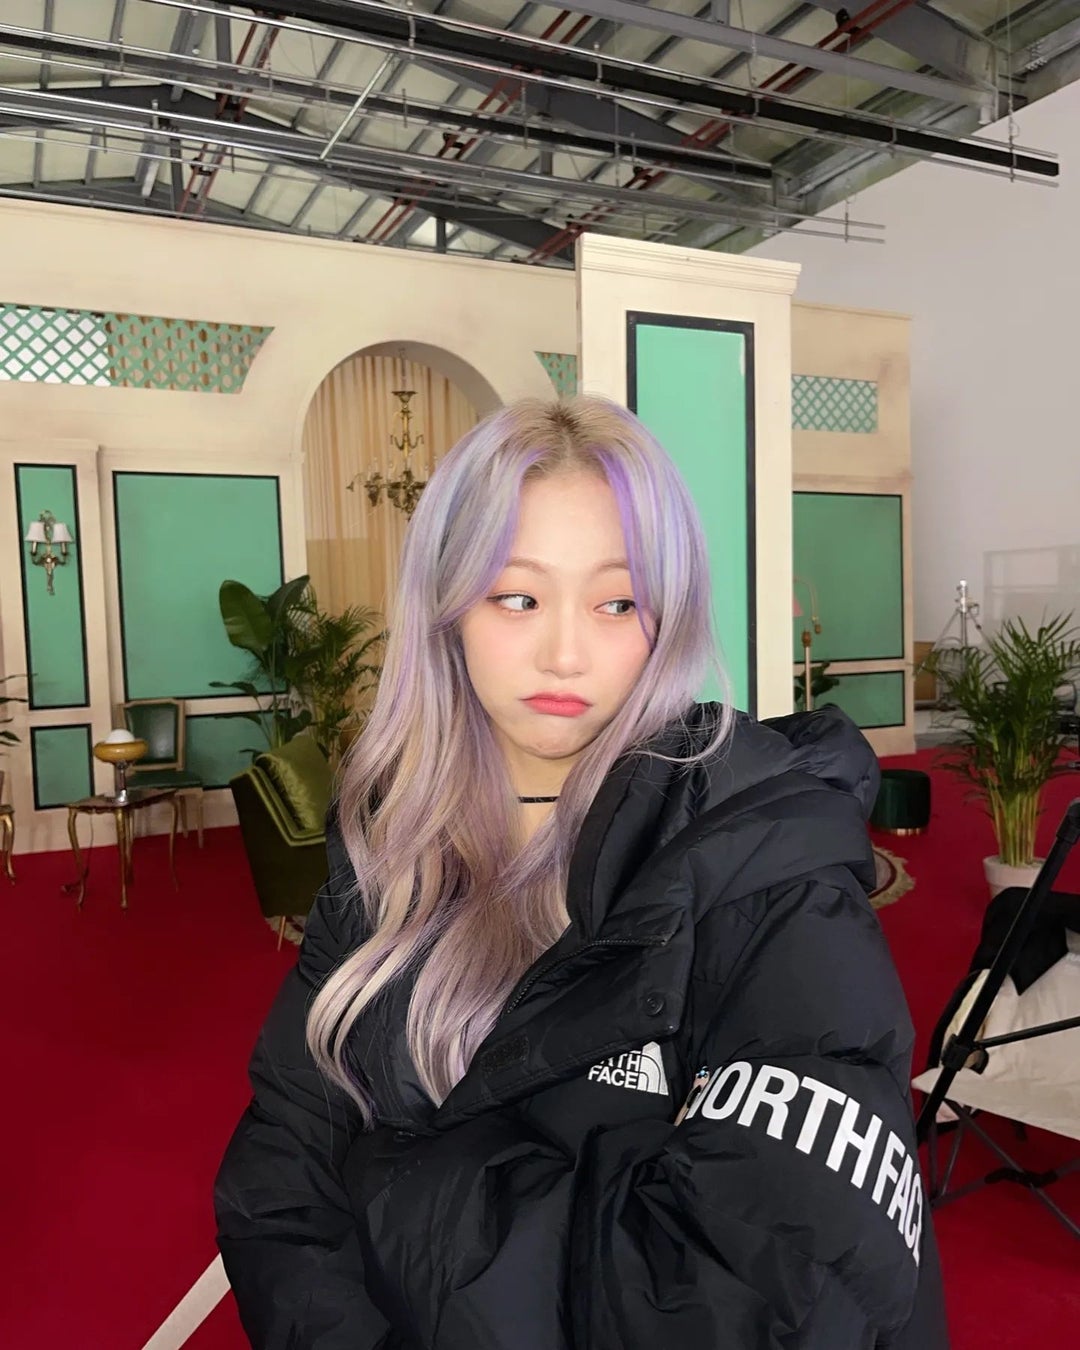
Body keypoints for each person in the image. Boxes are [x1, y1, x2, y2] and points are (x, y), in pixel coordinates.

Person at [215, 395, 948, 1349]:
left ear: (666, 618)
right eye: (517, 597)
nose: (566, 652)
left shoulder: (769, 864)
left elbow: (750, 1293)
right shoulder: (391, 850)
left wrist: (392, 1180)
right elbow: (280, 1177)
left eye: (617, 603)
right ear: (446, 610)